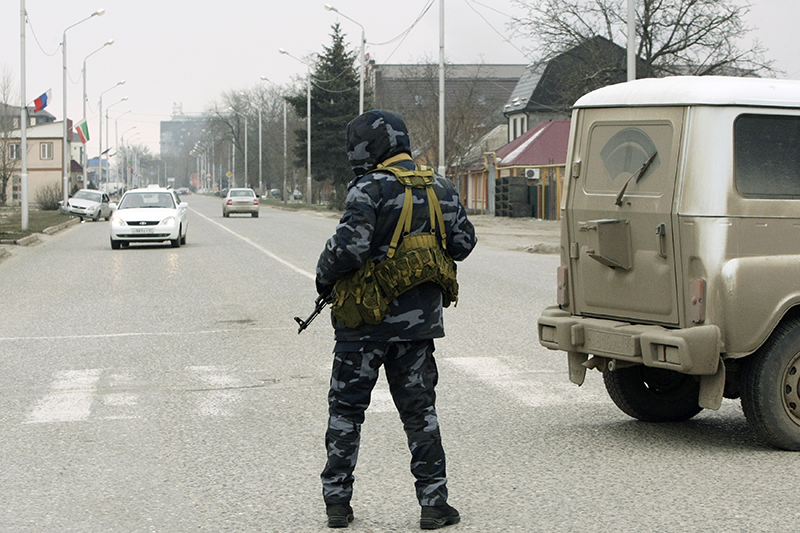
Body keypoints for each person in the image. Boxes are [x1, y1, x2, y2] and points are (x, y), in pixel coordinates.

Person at [315, 110, 477, 529]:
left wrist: (323, 277)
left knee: (347, 412)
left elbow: (348, 250)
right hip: (418, 329)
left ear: (367, 147)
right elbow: (463, 244)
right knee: (420, 413)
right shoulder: (440, 185)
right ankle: (434, 503)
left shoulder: (368, 188)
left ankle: (337, 504)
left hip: (362, 327)